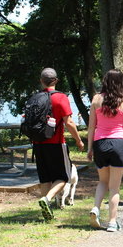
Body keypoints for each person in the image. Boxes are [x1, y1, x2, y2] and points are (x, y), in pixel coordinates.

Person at [86, 69, 123, 232]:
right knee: (114, 187)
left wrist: (89, 149)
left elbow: (91, 127)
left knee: (103, 181)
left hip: (100, 144)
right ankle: (112, 222)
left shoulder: (96, 100)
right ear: (121, 82)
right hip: (118, 144)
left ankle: (96, 208)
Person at [33, 67, 85, 222]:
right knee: (63, 177)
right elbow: (68, 122)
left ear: (41, 81)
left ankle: (46, 214)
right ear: (55, 80)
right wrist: (78, 140)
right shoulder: (60, 97)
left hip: (38, 143)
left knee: (45, 178)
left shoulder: (35, 98)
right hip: (55, 143)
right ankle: (47, 199)